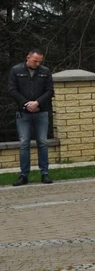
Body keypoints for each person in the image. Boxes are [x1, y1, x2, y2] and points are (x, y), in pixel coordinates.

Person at [8, 48, 54, 186]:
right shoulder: (16, 70)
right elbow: (12, 90)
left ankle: (44, 173)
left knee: (43, 142)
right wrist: (26, 103)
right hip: (23, 113)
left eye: (40, 61)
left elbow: (50, 90)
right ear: (27, 57)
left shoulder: (45, 72)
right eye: (35, 61)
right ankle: (23, 175)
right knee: (24, 143)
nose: (38, 64)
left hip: (42, 111)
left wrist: (38, 102)